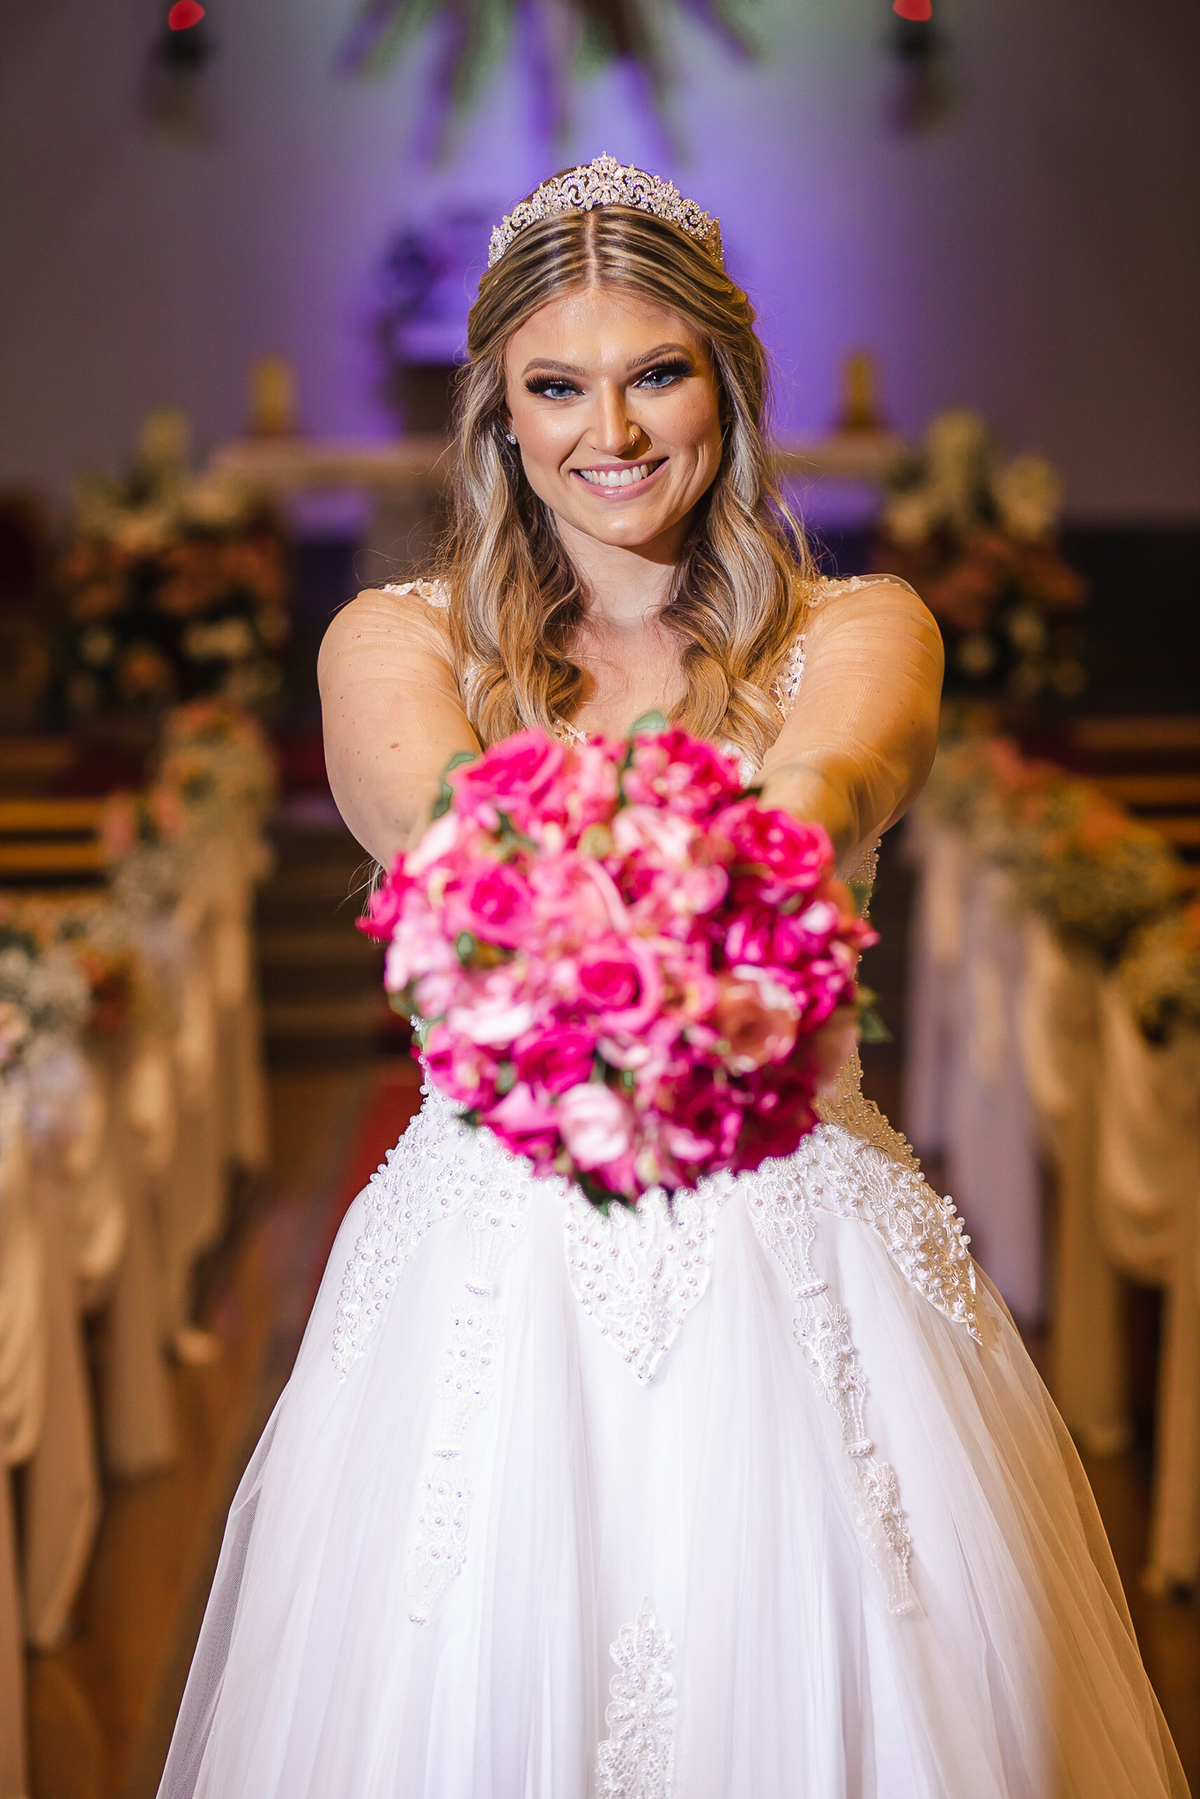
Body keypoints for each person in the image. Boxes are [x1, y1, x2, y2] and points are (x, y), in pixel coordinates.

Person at [157, 156, 1186, 1798]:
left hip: (806, 1257)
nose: (609, 434)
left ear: (729, 381)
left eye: (656, 374)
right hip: (486, 1277)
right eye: (556, 387)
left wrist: (759, 841)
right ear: (498, 408)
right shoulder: (398, 640)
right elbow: (427, 822)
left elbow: (835, 775)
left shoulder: (861, 629)